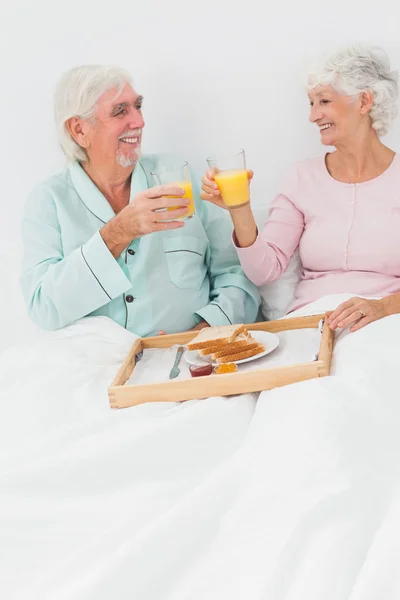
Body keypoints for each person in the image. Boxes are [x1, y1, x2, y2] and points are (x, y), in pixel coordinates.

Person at [20, 66, 260, 337]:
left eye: (138, 107)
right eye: (120, 111)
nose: (139, 121)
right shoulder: (49, 202)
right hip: (106, 371)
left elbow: (237, 273)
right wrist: (117, 232)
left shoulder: (178, 176)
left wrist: (206, 331)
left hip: (196, 360)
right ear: (79, 130)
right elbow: (43, 307)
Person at [201, 44, 400, 333]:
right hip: (311, 325)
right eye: (311, 103)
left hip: (384, 323)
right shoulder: (302, 177)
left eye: (324, 101)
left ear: (364, 101)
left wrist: (383, 307)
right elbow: (263, 272)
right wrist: (239, 207)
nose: (313, 116)